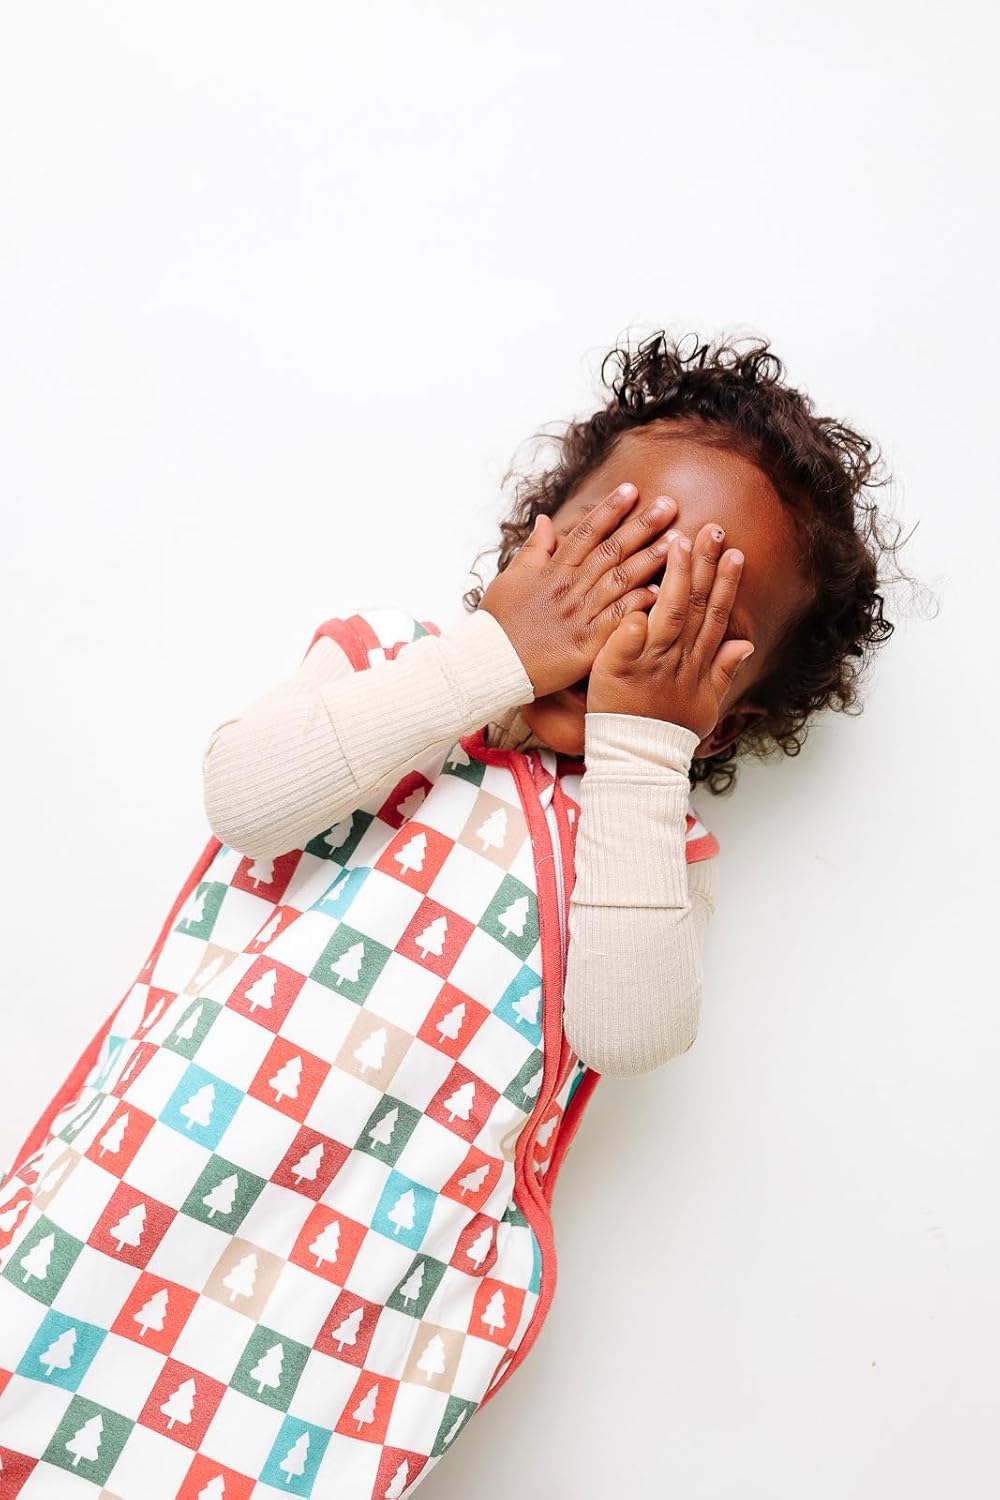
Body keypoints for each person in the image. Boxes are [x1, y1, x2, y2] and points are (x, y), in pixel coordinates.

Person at [0, 332, 905, 1496]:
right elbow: (247, 800)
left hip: (352, 1296)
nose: (629, 629)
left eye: (682, 624)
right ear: (537, 547)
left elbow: (629, 1031)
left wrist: (640, 747)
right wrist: (497, 650)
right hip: (150, 1179)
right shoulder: (396, 673)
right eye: (617, 560)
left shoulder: (646, 840)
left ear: (723, 715)